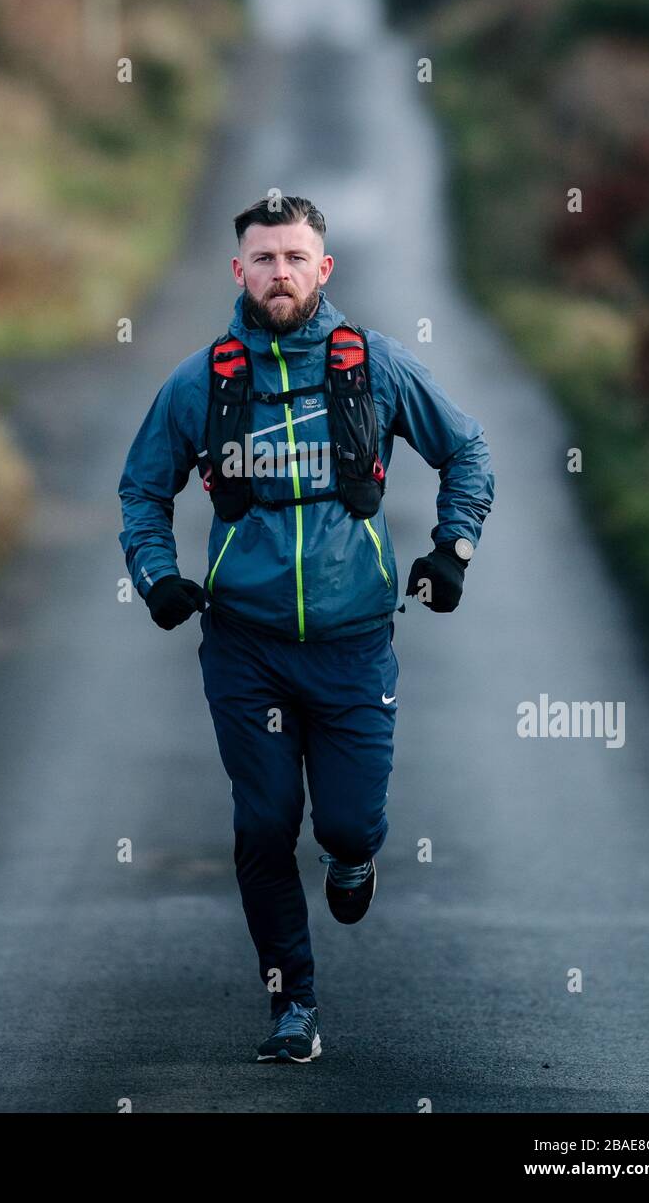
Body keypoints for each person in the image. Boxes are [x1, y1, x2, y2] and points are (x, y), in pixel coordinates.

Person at [118, 195, 494, 1064]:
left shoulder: (375, 367)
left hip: (355, 645)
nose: (279, 272)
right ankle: (294, 1007)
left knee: (350, 825)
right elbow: (142, 488)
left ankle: (355, 859)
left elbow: (467, 450)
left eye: (295, 257)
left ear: (324, 270)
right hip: (243, 647)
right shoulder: (202, 381)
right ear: (238, 271)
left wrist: (454, 550)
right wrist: (155, 576)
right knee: (263, 824)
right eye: (263, 258)